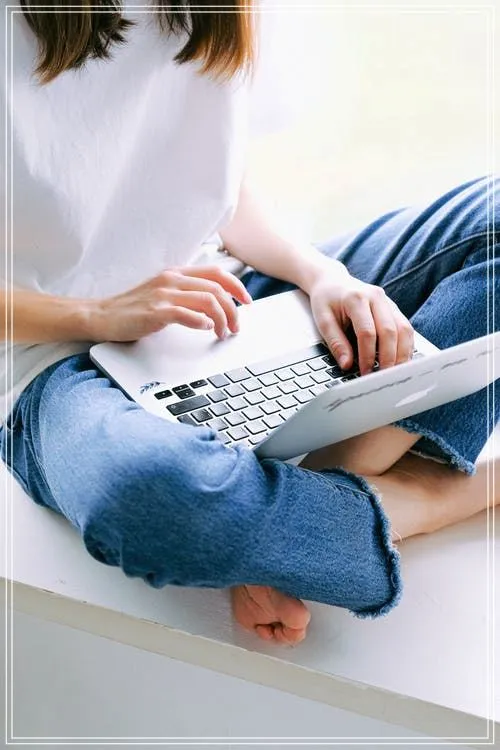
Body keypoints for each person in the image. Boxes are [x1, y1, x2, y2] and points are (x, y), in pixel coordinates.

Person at [1, 0, 498, 646]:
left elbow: (214, 177)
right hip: (55, 364)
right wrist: (95, 313)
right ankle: (431, 496)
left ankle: (306, 508)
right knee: (152, 500)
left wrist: (321, 275)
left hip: (229, 297)